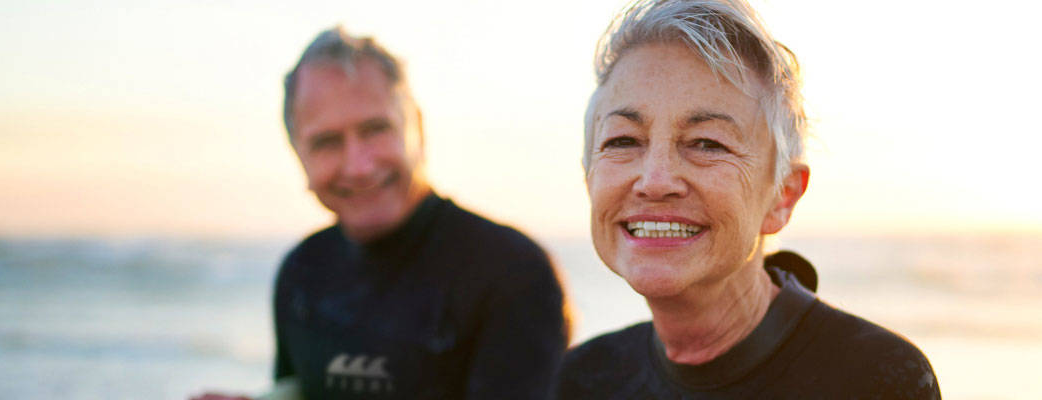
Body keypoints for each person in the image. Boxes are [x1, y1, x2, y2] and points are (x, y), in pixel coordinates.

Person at [553, 0, 940, 398]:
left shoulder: (876, 378)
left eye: (706, 143)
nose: (655, 181)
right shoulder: (579, 379)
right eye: (623, 141)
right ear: (589, 178)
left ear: (782, 197)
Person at [197, 27, 570, 400]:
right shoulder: (301, 273)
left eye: (375, 130)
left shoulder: (512, 273)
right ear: (298, 155)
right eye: (327, 142)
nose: (358, 166)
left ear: (417, 129)